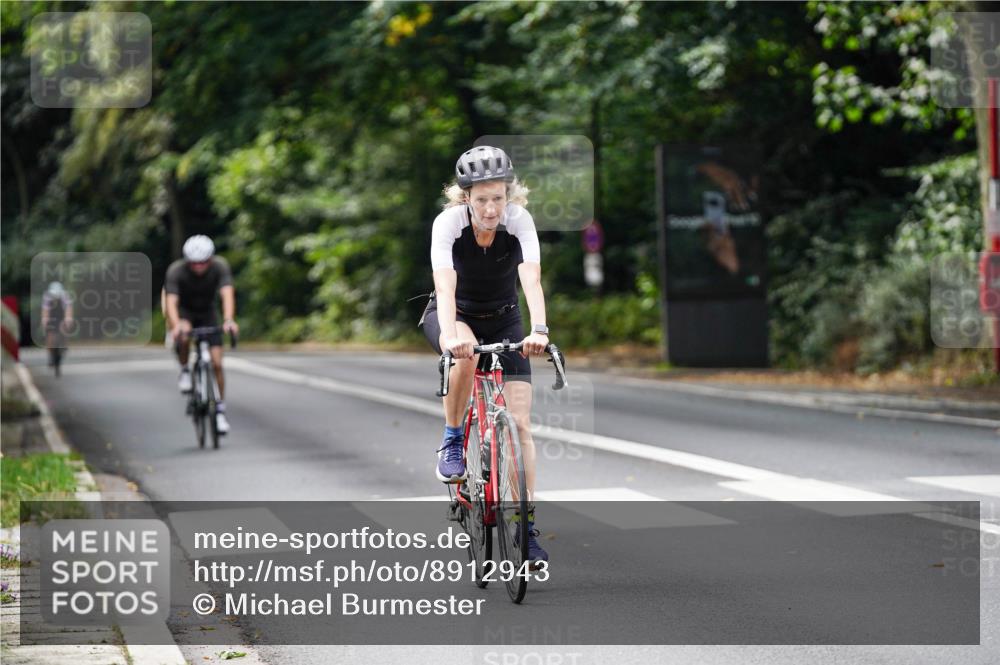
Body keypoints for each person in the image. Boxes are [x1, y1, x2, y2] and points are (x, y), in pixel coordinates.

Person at [419, 145, 551, 566]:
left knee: (522, 423)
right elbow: (444, 286)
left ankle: (525, 528)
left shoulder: (519, 221)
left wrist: (540, 331)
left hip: (505, 318)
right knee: (467, 355)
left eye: (498, 198)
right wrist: (450, 339)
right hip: (454, 313)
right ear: (465, 199)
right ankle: (453, 440)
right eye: (481, 200)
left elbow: (530, 279)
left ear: (509, 195)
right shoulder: (448, 224)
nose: (491, 208)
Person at [163, 235, 239, 434]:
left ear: (211, 259)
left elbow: (227, 294)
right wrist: (175, 325)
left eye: (203, 262)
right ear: (187, 261)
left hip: (208, 313)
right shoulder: (176, 271)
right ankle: (184, 369)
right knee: (184, 333)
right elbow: (171, 302)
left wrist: (229, 319)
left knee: (217, 363)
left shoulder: (220, 267)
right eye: (194, 263)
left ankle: (220, 410)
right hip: (185, 312)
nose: (198, 267)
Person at [40, 281, 73, 365]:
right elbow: (45, 310)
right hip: (51, 316)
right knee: (50, 335)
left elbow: (68, 309)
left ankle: (64, 345)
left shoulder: (64, 296)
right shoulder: (47, 296)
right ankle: (51, 354)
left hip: (61, 316)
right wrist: (44, 320)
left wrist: (68, 319)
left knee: (64, 329)